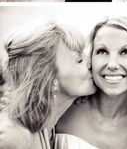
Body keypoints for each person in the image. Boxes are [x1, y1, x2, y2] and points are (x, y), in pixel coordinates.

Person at [0, 18, 96, 148]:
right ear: (50, 80)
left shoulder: (49, 120)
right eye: (79, 60)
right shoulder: (12, 137)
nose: (90, 62)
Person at [56, 17, 127, 149]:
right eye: (102, 51)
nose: (112, 65)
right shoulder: (64, 106)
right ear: (90, 58)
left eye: (125, 52)